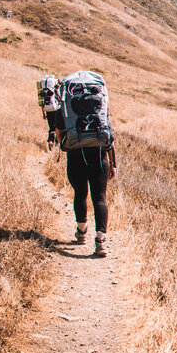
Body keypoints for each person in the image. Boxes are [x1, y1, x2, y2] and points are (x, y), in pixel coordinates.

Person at [45, 95, 118, 258]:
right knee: (100, 198)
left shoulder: (64, 108)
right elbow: (110, 136)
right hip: (99, 157)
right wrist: (113, 163)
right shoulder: (99, 107)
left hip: (75, 156)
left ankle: (82, 232)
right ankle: (100, 241)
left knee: (80, 194)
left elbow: (59, 136)